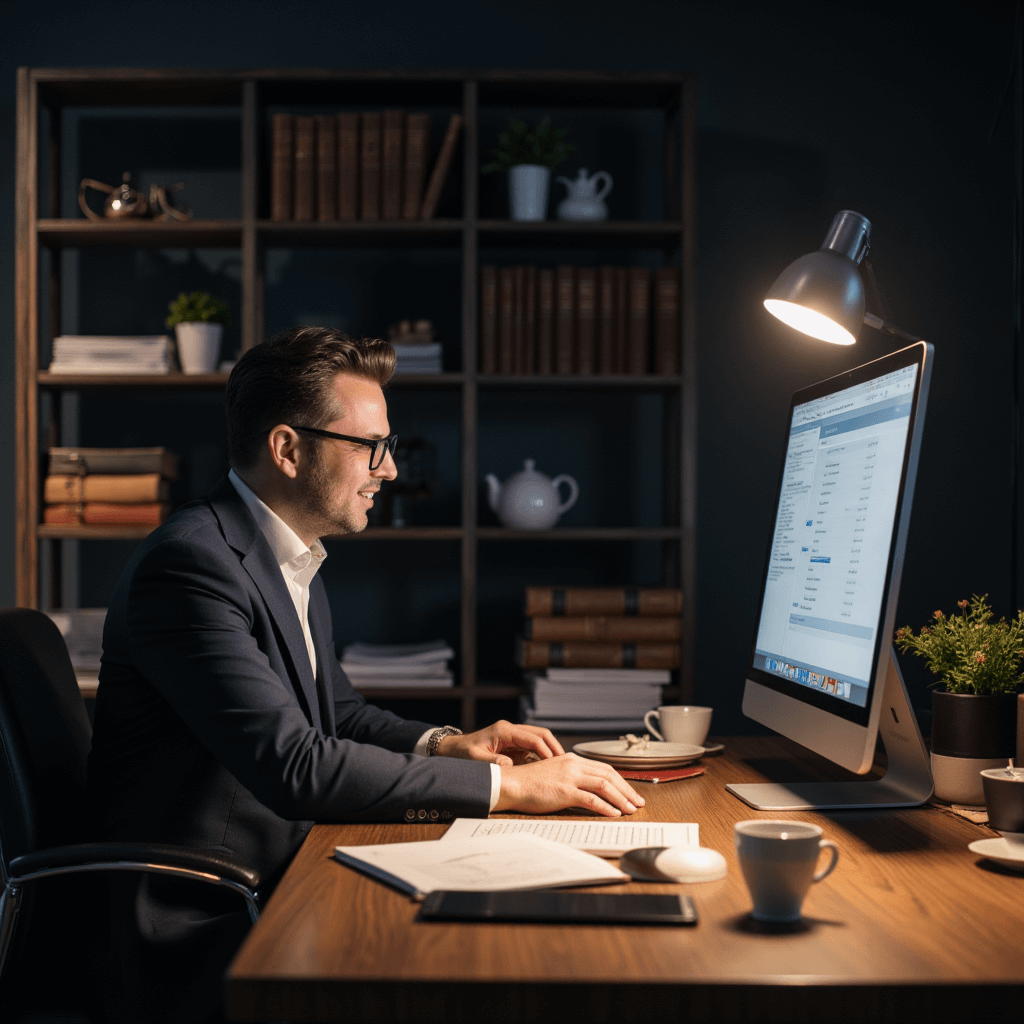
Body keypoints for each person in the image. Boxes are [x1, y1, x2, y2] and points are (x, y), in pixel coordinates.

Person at [87, 326, 642, 1023]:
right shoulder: (192, 567)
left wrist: (451, 744)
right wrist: (509, 787)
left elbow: (337, 713)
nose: (389, 470)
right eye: (370, 448)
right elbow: (294, 765)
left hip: (281, 871)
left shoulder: (287, 551)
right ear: (288, 449)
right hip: (200, 912)